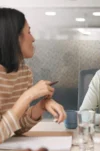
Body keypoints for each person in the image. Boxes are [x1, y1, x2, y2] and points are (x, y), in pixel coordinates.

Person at [0, 7, 66, 143]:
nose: (34, 39)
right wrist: (28, 96)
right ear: (14, 37)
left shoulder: (24, 73)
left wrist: (40, 107)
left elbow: (16, 128)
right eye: (29, 32)